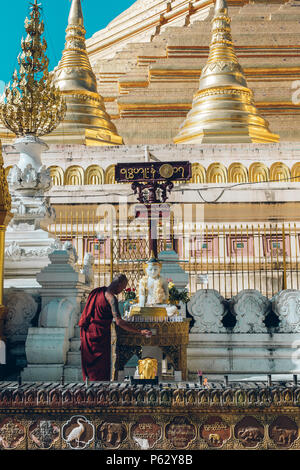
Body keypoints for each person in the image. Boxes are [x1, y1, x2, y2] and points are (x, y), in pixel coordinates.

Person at [78, 274, 152, 381]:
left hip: (88, 335)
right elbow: (119, 322)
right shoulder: (112, 299)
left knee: (90, 370)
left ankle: (89, 391)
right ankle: (100, 394)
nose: (122, 290)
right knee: (100, 370)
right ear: (119, 284)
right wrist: (140, 331)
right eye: (123, 287)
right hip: (99, 337)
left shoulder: (96, 292)